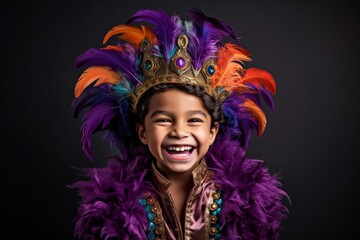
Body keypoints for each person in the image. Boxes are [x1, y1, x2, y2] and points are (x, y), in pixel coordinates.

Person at [70, 8, 289, 240]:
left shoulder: (247, 202)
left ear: (212, 132)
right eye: (164, 120)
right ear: (142, 131)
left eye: (194, 120)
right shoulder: (113, 206)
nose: (179, 131)